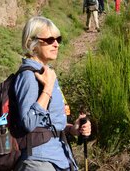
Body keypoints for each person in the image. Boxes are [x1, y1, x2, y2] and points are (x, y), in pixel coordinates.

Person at [14, 16, 91, 171]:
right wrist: (48, 88)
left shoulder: (46, 73)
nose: (56, 44)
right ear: (32, 43)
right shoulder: (29, 76)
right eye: (49, 40)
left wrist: (72, 129)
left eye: (58, 39)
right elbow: (28, 122)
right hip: (38, 162)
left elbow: (46, 124)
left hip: (58, 158)